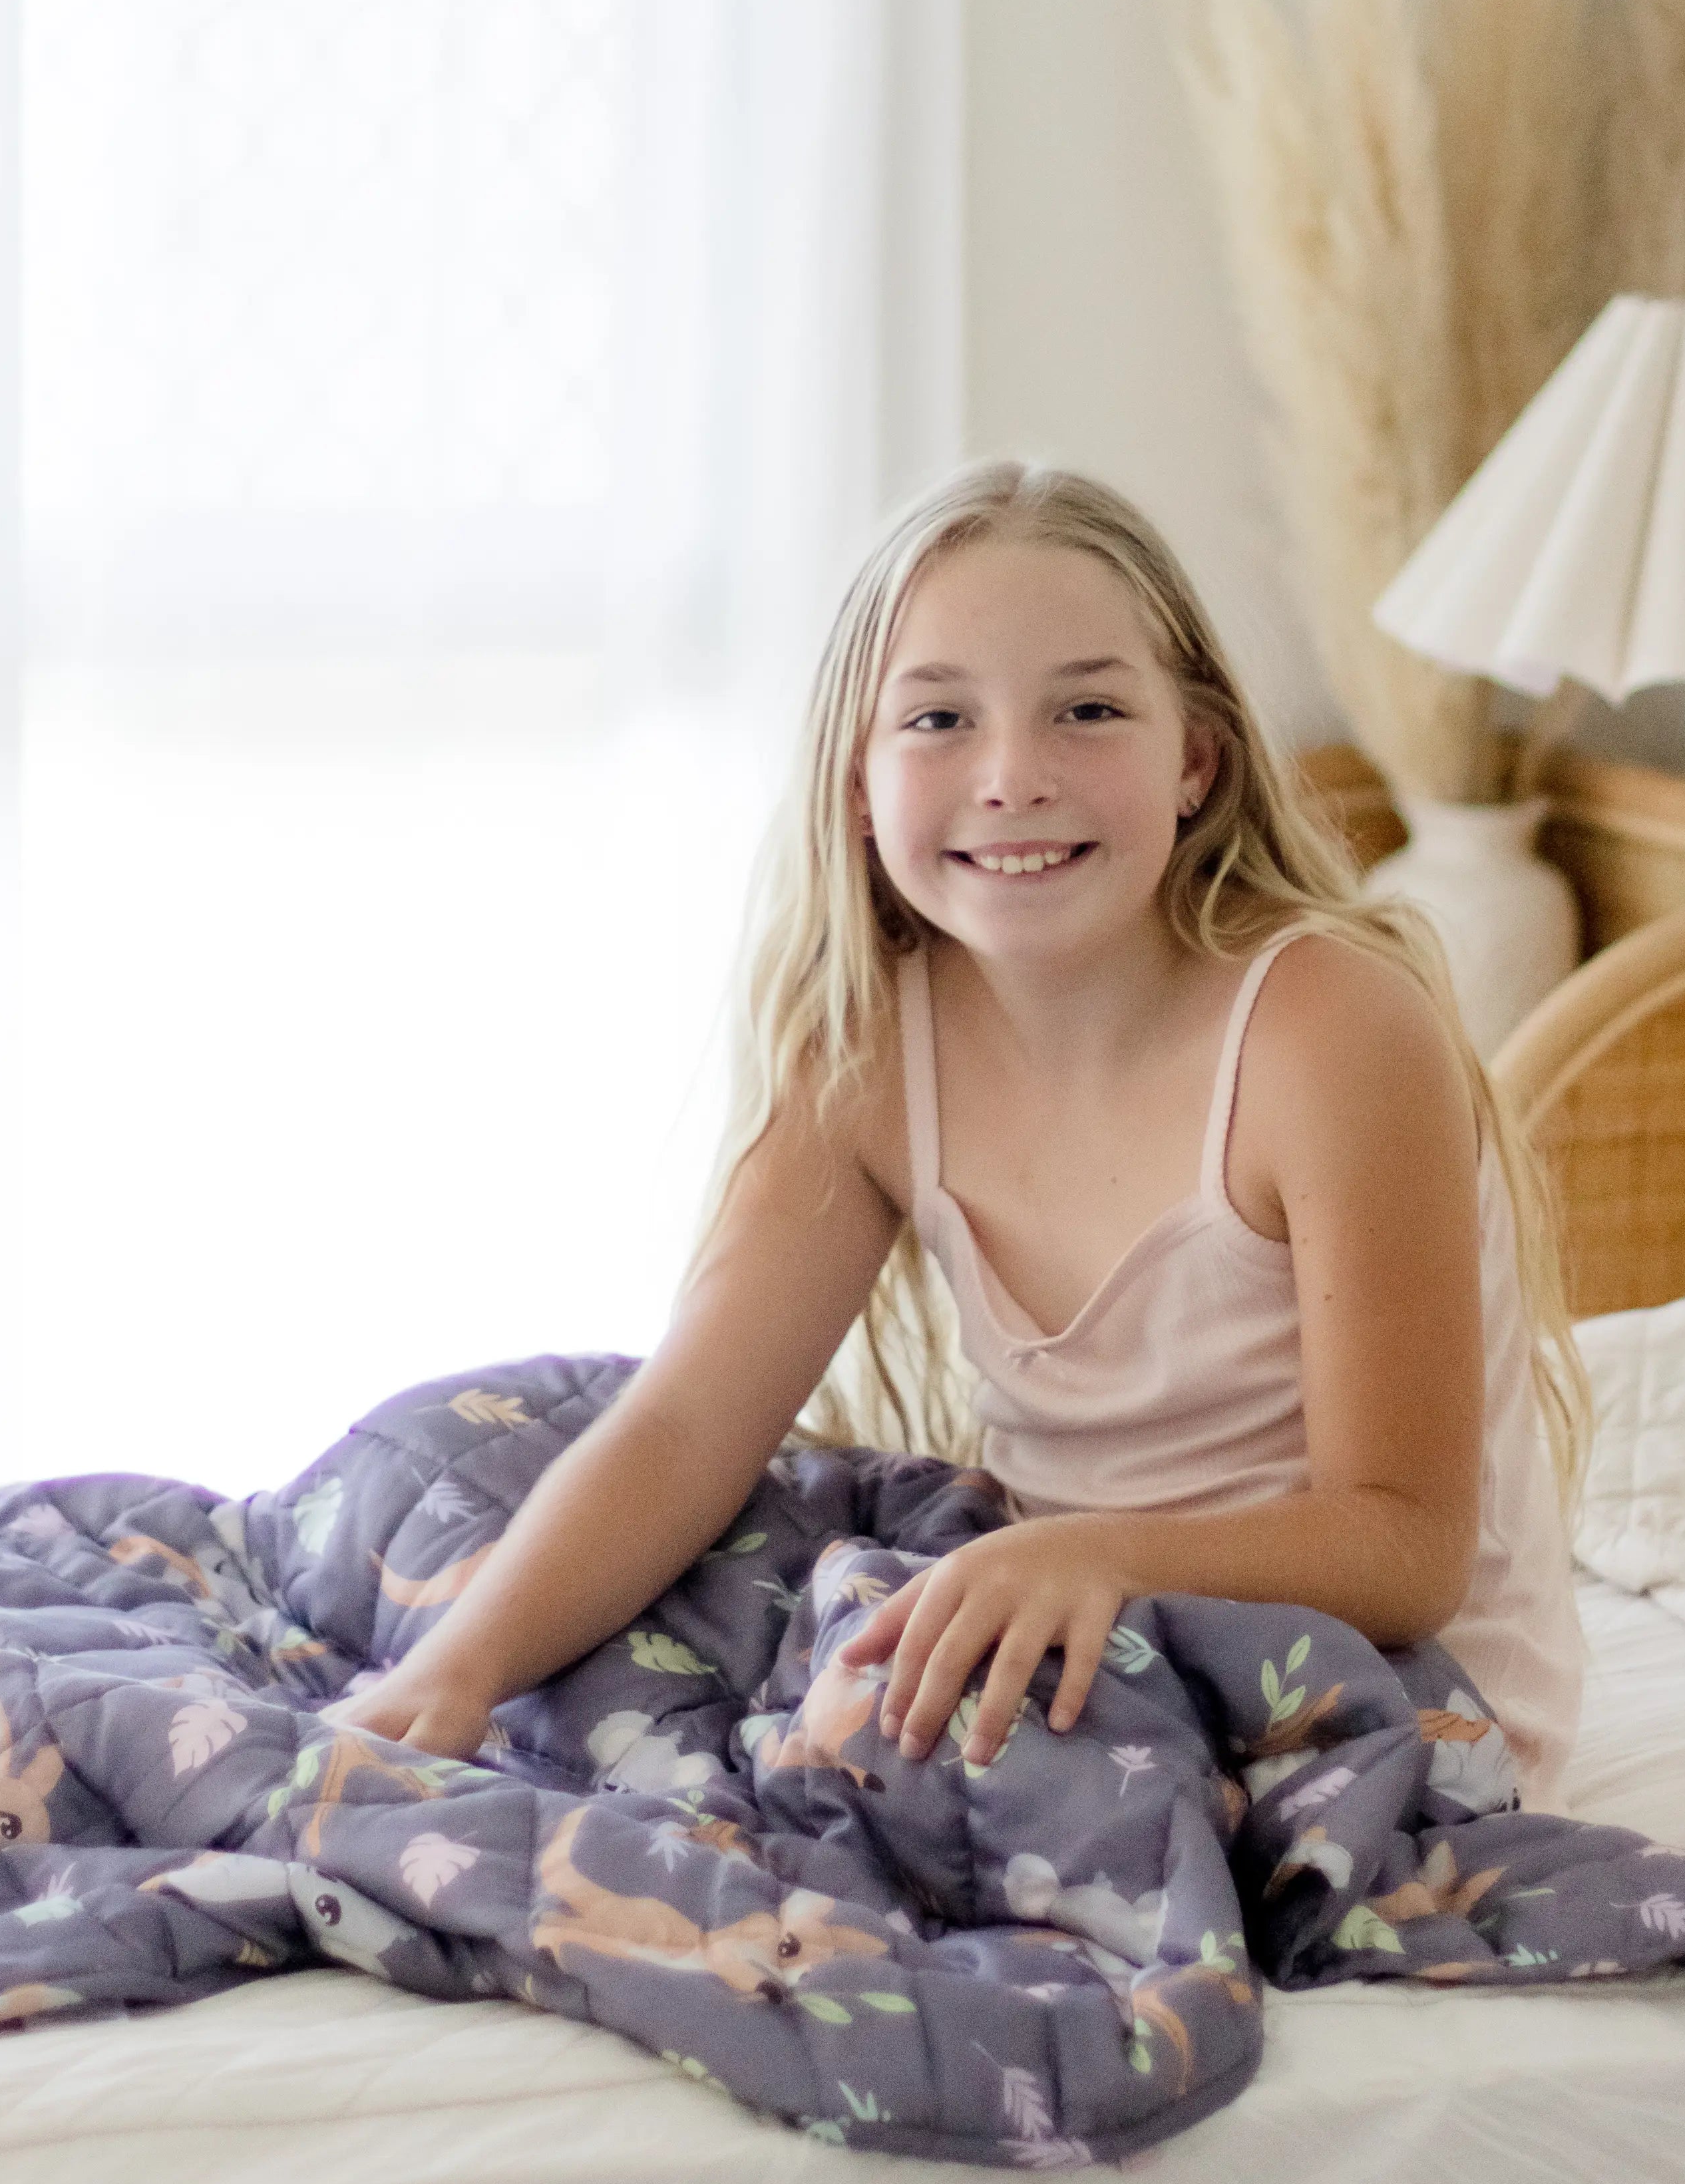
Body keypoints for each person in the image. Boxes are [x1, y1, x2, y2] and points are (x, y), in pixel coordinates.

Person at [336, 461, 1590, 1807]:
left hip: (1387, 1685)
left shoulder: (1329, 1027)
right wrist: (456, 1673)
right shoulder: (872, 1048)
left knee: (872, 1737)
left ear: (1193, 760)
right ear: (858, 787)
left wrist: (1094, 1557)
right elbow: (691, 1422)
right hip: (1062, 1597)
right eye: (938, 718)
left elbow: (1405, 1547)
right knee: (484, 1455)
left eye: (1088, 710)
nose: (1011, 778)